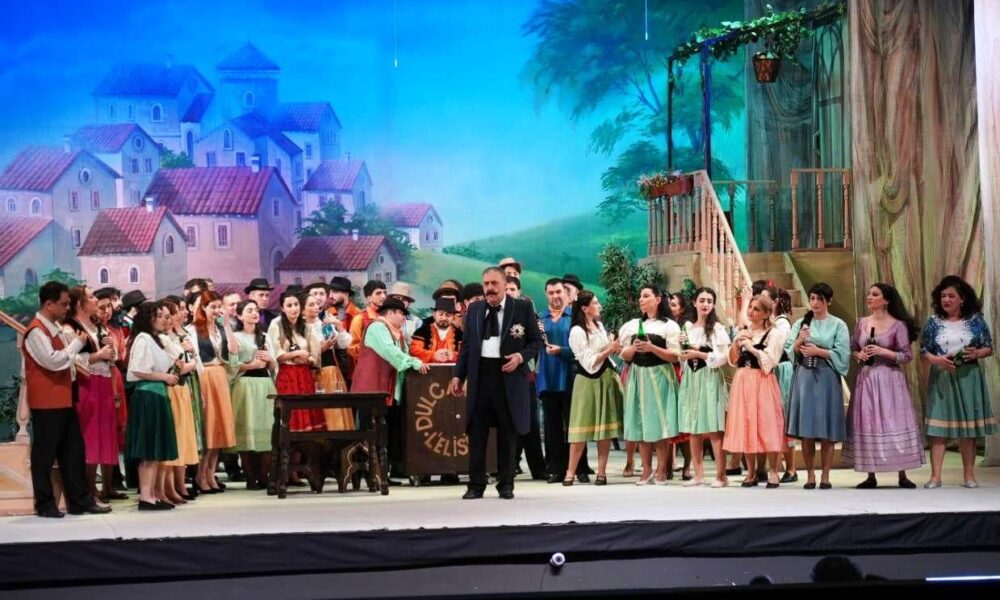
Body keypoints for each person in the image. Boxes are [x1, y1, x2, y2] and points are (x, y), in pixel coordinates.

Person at [450, 267, 544, 499]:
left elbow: (536, 341)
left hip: (509, 376)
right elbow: (467, 346)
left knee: (507, 432)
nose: (490, 288)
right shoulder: (474, 309)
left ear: (504, 284)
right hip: (480, 376)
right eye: (486, 284)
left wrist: (520, 357)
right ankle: (476, 485)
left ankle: (506, 484)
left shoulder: (521, 308)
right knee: (477, 433)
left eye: (494, 283)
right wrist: (458, 375)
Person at [24, 281, 111, 518]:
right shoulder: (36, 331)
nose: (66, 308)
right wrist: (76, 344)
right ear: (48, 304)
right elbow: (53, 361)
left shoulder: (54, 328)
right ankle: (45, 504)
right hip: (46, 401)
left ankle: (79, 501)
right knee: (45, 456)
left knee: (73, 452)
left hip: (64, 397)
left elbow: (68, 361)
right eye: (63, 304)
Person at [843, 283, 924, 488]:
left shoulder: (898, 325)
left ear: (886, 300)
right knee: (868, 421)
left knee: (893, 422)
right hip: (867, 378)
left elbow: (906, 355)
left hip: (890, 379)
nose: (869, 297)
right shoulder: (862, 323)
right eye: (869, 294)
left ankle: (902, 474)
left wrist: (883, 351)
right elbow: (853, 347)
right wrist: (859, 354)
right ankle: (870, 475)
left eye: (875, 294)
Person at [920, 275, 995, 488]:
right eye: (943, 296)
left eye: (951, 296)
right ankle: (935, 476)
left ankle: (969, 476)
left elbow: (988, 347)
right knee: (938, 429)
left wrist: (977, 353)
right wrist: (937, 360)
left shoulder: (975, 320)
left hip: (969, 377)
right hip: (942, 376)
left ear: (962, 299)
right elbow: (923, 351)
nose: (946, 300)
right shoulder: (933, 321)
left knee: (967, 429)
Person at [351, 297, 430, 485]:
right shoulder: (377, 328)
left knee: (389, 432)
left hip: (389, 392)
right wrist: (413, 362)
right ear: (391, 313)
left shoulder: (397, 333)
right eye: (402, 313)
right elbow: (389, 352)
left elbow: (402, 354)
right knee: (371, 431)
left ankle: (385, 471)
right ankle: (369, 472)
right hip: (371, 391)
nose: (404, 318)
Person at [785, 283, 850, 489]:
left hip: (827, 377)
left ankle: (826, 476)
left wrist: (819, 351)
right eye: (812, 298)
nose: (815, 303)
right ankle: (810, 475)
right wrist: (799, 341)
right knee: (807, 429)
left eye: (820, 299)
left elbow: (843, 353)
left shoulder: (838, 324)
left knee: (827, 427)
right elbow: (788, 350)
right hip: (805, 376)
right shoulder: (801, 323)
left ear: (828, 301)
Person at [618, 285, 681, 485]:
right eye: (640, 296)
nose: (641, 299)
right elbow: (624, 355)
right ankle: (646, 469)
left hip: (660, 375)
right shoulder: (633, 325)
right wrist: (633, 349)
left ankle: (662, 469)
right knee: (640, 422)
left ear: (658, 299)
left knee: (660, 422)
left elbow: (675, 355)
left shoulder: (669, 325)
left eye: (646, 296)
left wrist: (651, 347)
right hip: (638, 375)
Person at [62, 286, 119, 506]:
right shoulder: (70, 328)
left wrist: (110, 350)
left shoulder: (96, 326)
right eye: (91, 296)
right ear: (80, 303)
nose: (95, 300)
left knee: (102, 434)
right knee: (90, 436)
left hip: (103, 382)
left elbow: (110, 358)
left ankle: (99, 487)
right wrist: (98, 355)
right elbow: (71, 359)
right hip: (87, 384)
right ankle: (88, 489)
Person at [723, 295, 788, 488]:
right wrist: (736, 343)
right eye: (750, 307)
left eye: (756, 309)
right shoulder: (745, 332)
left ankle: (773, 470)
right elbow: (732, 360)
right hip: (743, 380)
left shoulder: (773, 334)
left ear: (766, 313)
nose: (751, 312)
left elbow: (770, 362)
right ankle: (750, 472)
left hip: (763, 381)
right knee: (746, 423)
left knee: (768, 424)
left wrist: (752, 348)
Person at [563, 291, 623, 486]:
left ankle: (602, 472)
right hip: (587, 381)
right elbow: (588, 362)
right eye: (595, 303)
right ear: (584, 308)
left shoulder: (599, 326)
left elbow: (605, 351)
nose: (599, 306)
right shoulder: (577, 331)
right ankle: (570, 472)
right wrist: (610, 349)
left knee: (604, 429)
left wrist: (614, 345)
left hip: (606, 378)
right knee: (579, 429)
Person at [126, 302, 180, 511]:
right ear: (148, 318)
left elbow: (173, 357)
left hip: (157, 394)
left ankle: (152, 494)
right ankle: (146, 496)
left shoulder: (156, 339)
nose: (163, 319)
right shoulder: (143, 338)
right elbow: (137, 370)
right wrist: (164, 377)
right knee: (149, 447)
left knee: (155, 448)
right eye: (158, 316)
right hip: (148, 395)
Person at [537, 278, 591, 484]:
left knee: (575, 426)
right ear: (546, 295)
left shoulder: (575, 317)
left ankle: (581, 468)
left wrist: (562, 351)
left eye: (559, 292)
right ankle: (556, 469)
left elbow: (584, 348)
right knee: (551, 428)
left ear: (567, 294)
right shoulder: (539, 318)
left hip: (571, 377)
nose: (555, 296)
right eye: (551, 293)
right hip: (547, 378)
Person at [677, 287, 731, 487]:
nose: (705, 304)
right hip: (691, 378)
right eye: (702, 300)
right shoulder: (688, 328)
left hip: (709, 378)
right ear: (694, 303)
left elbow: (723, 357)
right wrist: (683, 353)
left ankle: (721, 476)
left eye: (709, 301)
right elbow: (682, 357)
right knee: (694, 428)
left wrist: (698, 353)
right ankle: (698, 474)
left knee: (713, 428)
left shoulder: (717, 328)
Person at [189, 290, 239, 493]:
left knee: (219, 427)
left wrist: (226, 325)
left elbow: (234, 350)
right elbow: (195, 358)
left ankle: (210, 474)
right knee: (208, 427)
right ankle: (200, 475)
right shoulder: (194, 329)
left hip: (220, 375)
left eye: (219, 307)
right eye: (213, 307)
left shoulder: (220, 329)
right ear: (203, 307)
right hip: (206, 376)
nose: (217, 311)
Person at [230, 300, 278, 490]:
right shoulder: (235, 337)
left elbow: (274, 366)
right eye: (249, 310)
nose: (254, 313)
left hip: (265, 384)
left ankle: (265, 476)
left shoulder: (264, 337)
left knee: (267, 427)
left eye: (256, 310)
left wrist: (270, 360)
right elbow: (230, 365)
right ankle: (250, 476)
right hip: (245, 385)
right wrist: (250, 365)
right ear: (239, 315)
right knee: (246, 426)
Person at [156, 299, 199, 504]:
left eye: (173, 313)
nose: (173, 317)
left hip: (183, 388)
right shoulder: (161, 339)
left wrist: (191, 358)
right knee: (173, 438)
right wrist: (191, 363)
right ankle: (168, 487)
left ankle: (179, 485)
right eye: (169, 314)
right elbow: (177, 367)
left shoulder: (179, 338)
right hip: (171, 388)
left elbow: (189, 363)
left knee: (183, 438)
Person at [302, 292, 353, 430]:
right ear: (302, 310)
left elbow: (344, 344)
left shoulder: (324, 324)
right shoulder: (301, 329)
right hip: (312, 374)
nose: (316, 307)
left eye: (316, 304)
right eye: (311, 304)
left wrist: (339, 326)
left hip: (330, 371)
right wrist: (321, 349)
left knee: (335, 411)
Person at [771, 288, 798, 483]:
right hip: (772, 370)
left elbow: (779, 348)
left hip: (782, 369)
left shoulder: (781, 323)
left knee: (784, 418)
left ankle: (791, 468)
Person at [410, 297, 462, 363]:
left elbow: (466, 353)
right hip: (428, 369)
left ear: (453, 317)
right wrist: (433, 355)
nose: (444, 318)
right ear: (434, 314)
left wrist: (454, 356)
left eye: (448, 315)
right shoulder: (422, 331)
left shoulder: (459, 334)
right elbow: (414, 351)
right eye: (441, 314)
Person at [349, 280, 387, 363]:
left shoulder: (388, 317)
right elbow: (352, 348)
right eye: (378, 293)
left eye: (385, 293)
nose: (383, 296)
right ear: (369, 298)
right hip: (368, 365)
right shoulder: (359, 319)